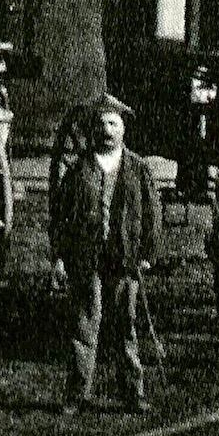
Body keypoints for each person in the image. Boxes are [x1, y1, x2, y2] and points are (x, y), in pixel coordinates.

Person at [50, 94, 161, 413]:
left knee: (125, 325)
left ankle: (134, 393)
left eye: (113, 123)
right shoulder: (78, 170)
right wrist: (59, 256)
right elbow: (60, 216)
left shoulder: (138, 169)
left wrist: (147, 253)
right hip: (87, 259)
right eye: (100, 124)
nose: (106, 130)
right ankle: (76, 394)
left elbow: (153, 214)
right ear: (92, 131)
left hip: (125, 258)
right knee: (85, 325)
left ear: (123, 129)